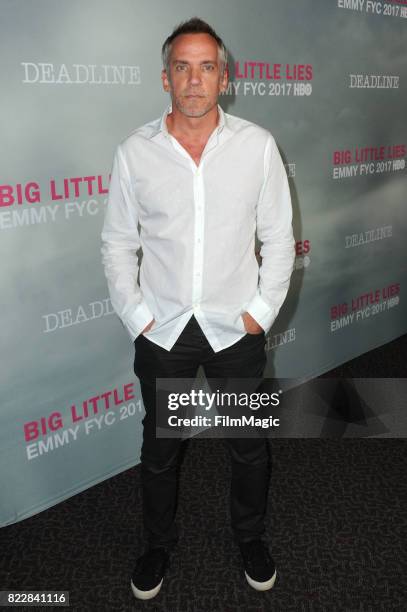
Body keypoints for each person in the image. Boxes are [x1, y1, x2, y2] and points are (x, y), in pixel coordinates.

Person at [101, 17, 295, 601]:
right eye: (182, 67)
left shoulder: (257, 146)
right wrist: (138, 318)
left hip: (236, 327)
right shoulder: (136, 152)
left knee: (248, 444)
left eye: (205, 66)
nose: (194, 79)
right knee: (160, 451)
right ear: (166, 78)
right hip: (164, 332)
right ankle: (157, 546)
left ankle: (250, 536)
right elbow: (117, 243)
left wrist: (260, 311)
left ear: (224, 77)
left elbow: (280, 239)